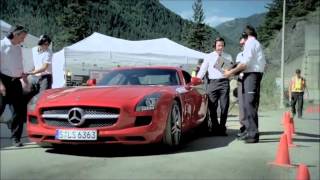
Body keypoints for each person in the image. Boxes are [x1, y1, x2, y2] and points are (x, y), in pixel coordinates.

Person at [224, 25, 266, 143]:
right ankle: (250, 131)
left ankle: (253, 134)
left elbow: (244, 65)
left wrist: (230, 73)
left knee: (249, 104)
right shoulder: (253, 43)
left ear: (245, 35)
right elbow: (242, 63)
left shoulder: (251, 43)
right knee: (248, 104)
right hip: (251, 74)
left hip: (252, 75)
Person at [197, 37, 233, 136]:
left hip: (224, 83)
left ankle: (222, 128)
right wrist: (196, 80)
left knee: (224, 107)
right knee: (212, 107)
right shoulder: (208, 56)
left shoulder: (228, 56)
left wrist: (230, 74)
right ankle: (215, 128)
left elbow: (231, 72)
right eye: (218, 45)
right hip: (212, 83)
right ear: (215, 46)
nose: (220, 47)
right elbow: (202, 70)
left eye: (222, 45)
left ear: (224, 46)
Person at [0, 25, 28, 147]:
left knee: (19, 111)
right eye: (22, 36)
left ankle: (16, 138)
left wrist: (23, 79)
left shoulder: (18, 47)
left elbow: (18, 65)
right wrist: (0, 85)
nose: (23, 39)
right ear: (16, 34)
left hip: (16, 81)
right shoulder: (1, 45)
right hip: (2, 80)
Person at [235, 34, 247, 137]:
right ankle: (243, 127)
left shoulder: (253, 53)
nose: (242, 46)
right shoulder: (239, 55)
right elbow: (237, 67)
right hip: (240, 80)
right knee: (242, 106)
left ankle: (251, 127)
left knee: (250, 105)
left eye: (244, 43)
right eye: (241, 44)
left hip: (250, 80)